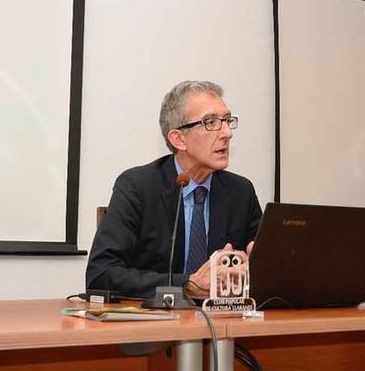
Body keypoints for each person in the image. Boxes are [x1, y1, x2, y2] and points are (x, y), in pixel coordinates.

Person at [86, 81, 262, 299]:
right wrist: (187, 284)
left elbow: (260, 266)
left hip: (220, 327)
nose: (227, 133)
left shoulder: (240, 192)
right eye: (210, 122)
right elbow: (100, 274)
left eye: (227, 120)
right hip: (154, 328)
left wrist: (261, 265)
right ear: (178, 139)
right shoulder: (137, 187)